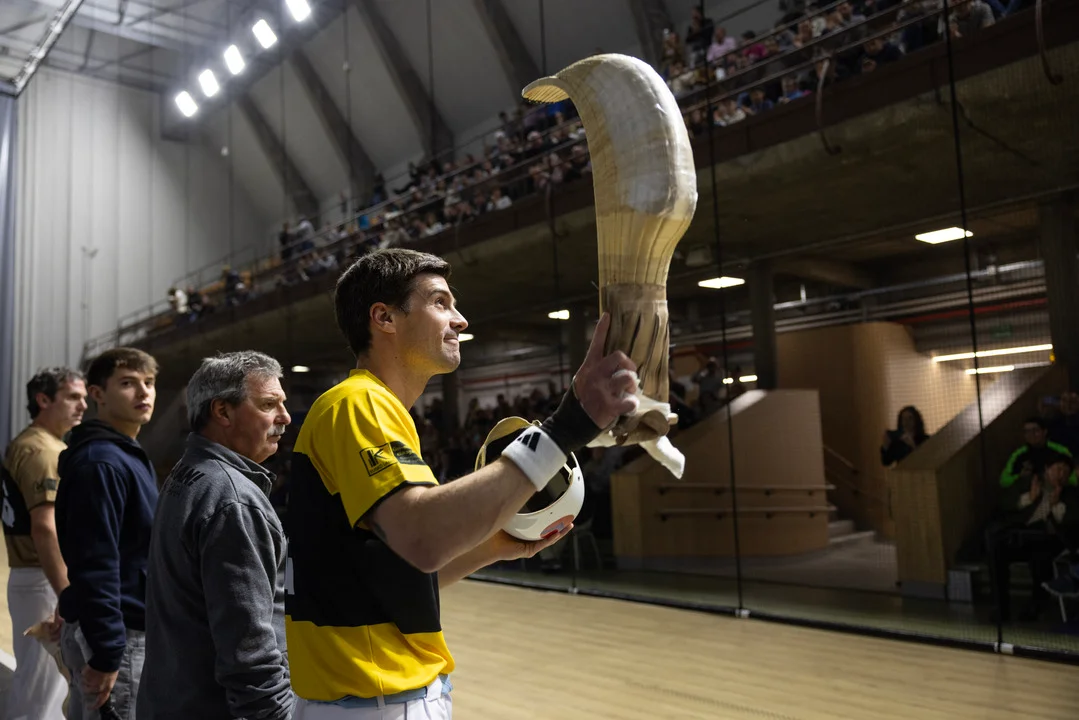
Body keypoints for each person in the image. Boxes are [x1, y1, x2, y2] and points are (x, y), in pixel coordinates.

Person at [285, 248, 638, 719]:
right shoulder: (358, 403)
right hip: (377, 700)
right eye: (440, 302)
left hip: (365, 699)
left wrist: (496, 547)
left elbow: (396, 573)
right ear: (384, 317)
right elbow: (422, 537)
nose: (461, 320)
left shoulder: (370, 410)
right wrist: (566, 428)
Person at [138, 351, 293, 720]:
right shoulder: (233, 500)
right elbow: (249, 652)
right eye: (268, 404)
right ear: (222, 411)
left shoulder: (189, 471)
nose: (285, 417)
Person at [55, 347, 160, 720]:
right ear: (97, 394)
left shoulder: (124, 453)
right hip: (119, 637)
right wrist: (107, 651)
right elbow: (96, 562)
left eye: (149, 382)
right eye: (128, 383)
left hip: (121, 630)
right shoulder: (101, 463)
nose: (144, 392)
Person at [2, 367, 87, 720]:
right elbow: (45, 528)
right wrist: (65, 593)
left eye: (84, 397)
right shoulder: (41, 450)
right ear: (43, 400)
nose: (83, 405)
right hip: (45, 577)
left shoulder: (35, 443)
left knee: (40, 688)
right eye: (73, 397)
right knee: (42, 696)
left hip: (36, 578)